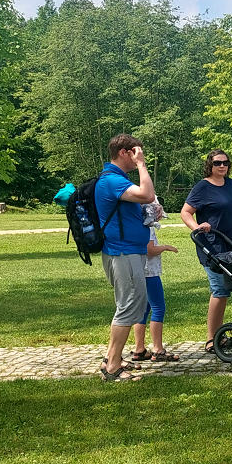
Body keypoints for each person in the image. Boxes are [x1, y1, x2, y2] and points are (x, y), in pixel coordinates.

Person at [94, 134, 155, 382]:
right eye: (136, 152)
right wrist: (141, 165)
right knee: (129, 305)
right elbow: (147, 194)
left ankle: (113, 358)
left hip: (129, 250)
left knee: (131, 305)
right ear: (124, 153)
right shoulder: (111, 180)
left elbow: (142, 201)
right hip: (123, 251)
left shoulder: (117, 180)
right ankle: (112, 367)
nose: (141, 156)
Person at [180, 150, 232, 354]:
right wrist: (197, 227)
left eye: (225, 162)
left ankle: (219, 335)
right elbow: (185, 212)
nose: (222, 166)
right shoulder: (202, 187)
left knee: (225, 291)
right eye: (217, 163)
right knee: (219, 290)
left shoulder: (231, 185)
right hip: (211, 246)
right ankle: (211, 339)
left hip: (231, 245)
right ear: (210, 165)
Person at [129, 197, 180, 363]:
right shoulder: (147, 224)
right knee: (159, 307)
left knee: (144, 308)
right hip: (149, 272)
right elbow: (150, 249)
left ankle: (139, 349)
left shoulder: (134, 222)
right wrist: (165, 247)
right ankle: (157, 349)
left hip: (139, 269)